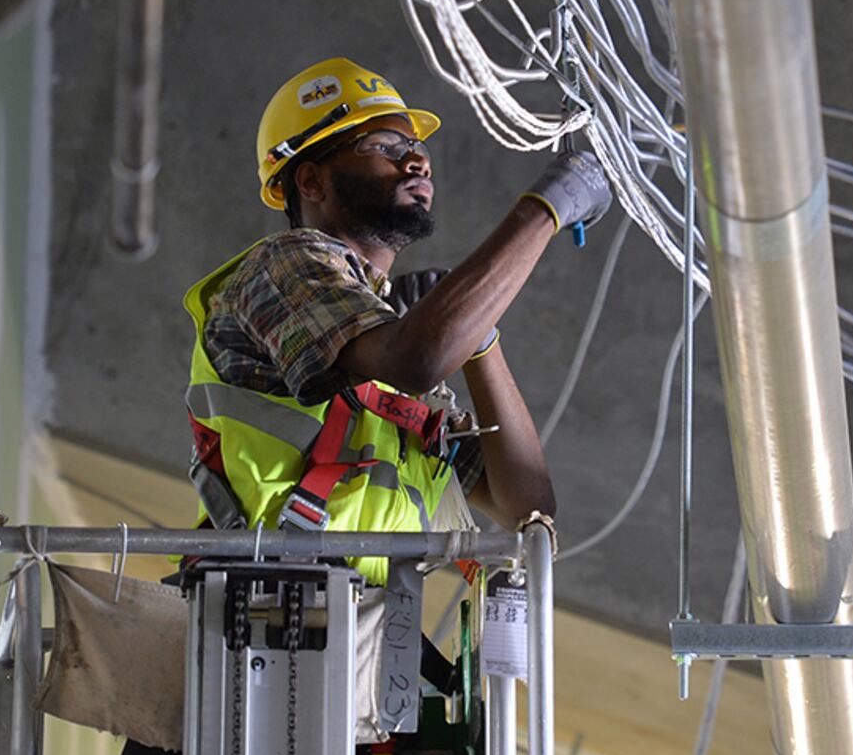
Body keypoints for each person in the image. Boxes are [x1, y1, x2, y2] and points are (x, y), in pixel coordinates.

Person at [182, 56, 613, 582]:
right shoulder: (284, 266)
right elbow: (417, 360)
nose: (416, 162)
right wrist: (545, 209)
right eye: (384, 147)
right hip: (274, 615)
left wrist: (481, 340)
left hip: (364, 633)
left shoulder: (387, 346)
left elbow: (525, 506)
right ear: (312, 180)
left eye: (417, 149)